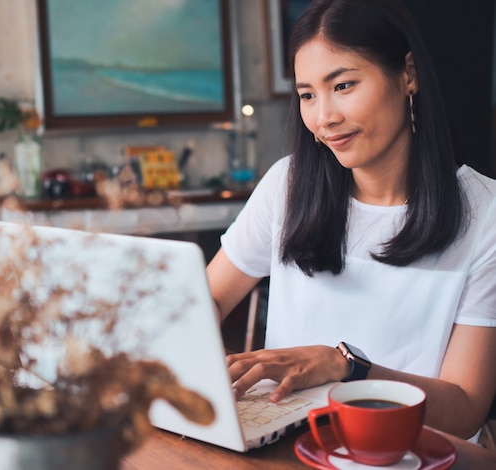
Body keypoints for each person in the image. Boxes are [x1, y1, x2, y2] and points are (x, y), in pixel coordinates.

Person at [207, 0, 496, 441]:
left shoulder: (485, 213)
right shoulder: (287, 184)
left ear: (408, 75)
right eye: (307, 95)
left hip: (410, 453)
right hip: (286, 444)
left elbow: (464, 410)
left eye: (343, 85)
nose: (324, 118)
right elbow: (206, 300)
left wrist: (347, 368)